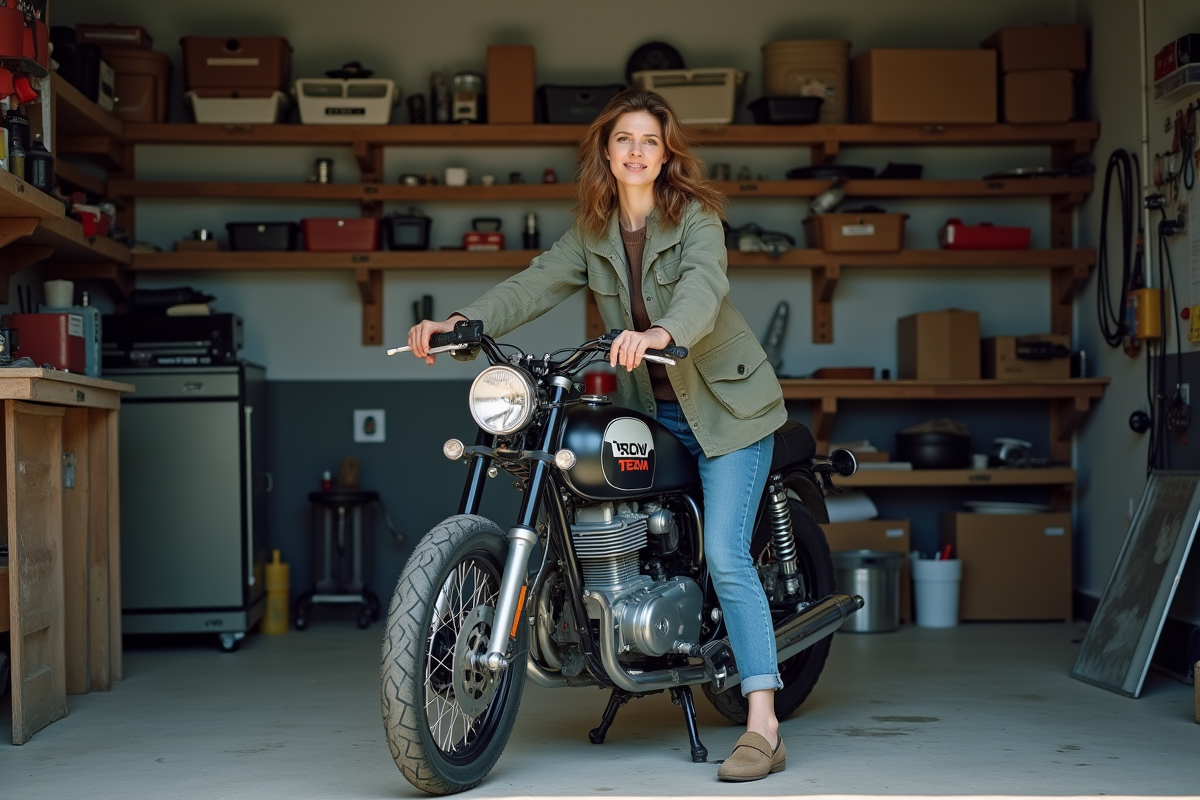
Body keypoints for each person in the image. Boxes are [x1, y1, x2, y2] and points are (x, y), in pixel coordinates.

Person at [407, 88, 789, 782]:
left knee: (729, 560)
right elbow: (535, 283)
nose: (637, 151)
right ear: (606, 154)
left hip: (728, 410)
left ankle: (763, 723)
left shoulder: (696, 217)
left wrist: (661, 333)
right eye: (624, 140)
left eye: (649, 140)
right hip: (655, 410)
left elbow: (703, 288)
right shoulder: (594, 231)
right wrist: (462, 322)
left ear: (666, 151)